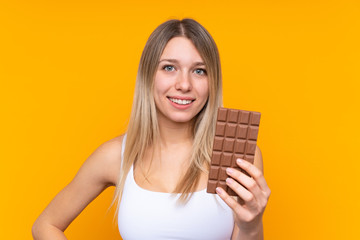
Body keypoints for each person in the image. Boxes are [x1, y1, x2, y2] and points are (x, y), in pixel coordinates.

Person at [32, 18, 271, 240]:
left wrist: (251, 225)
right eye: (169, 68)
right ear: (148, 75)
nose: (184, 84)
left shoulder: (236, 159)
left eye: (199, 71)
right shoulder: (117, 155)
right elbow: (45, 225)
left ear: (212, 81)